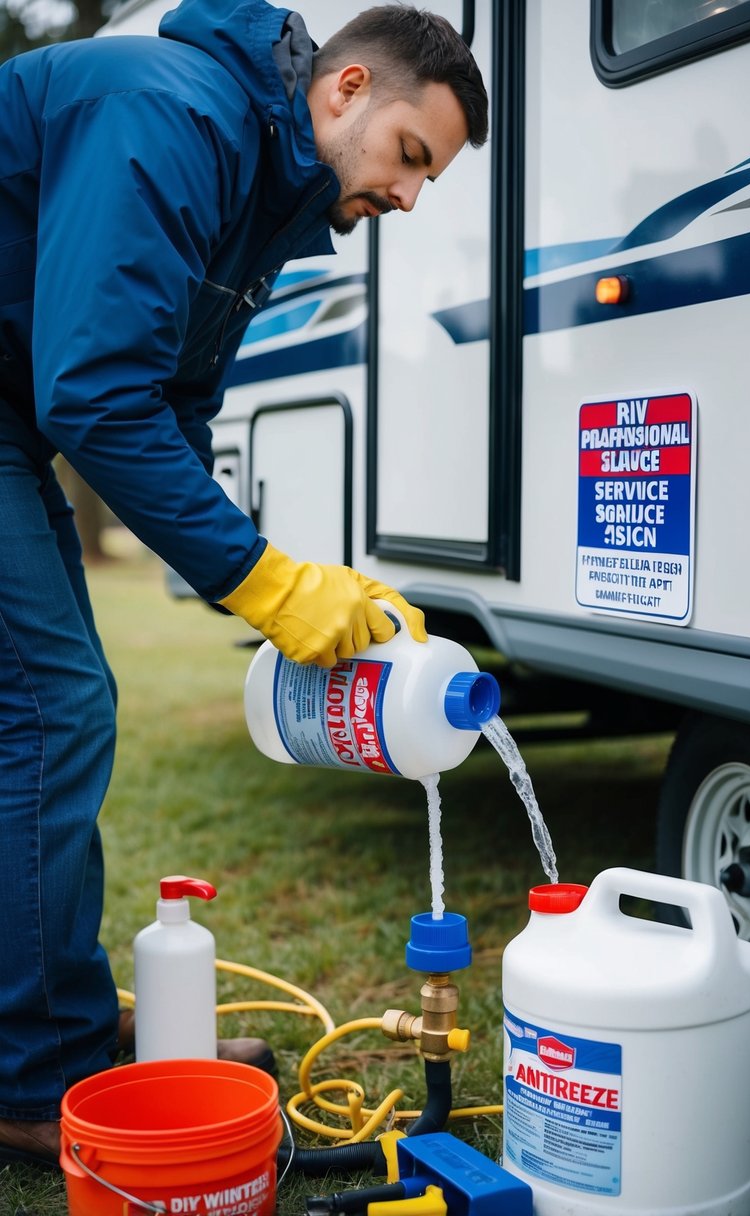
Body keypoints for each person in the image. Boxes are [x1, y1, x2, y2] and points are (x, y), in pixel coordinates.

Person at [0, 0, 488, 1166]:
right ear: (348, 88)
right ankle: (31, 1072)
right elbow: (97, 396)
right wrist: (265, 582)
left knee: (55, 710)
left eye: (432, 181)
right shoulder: (169, 118)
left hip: (18, 420)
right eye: (411, 157)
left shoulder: (262, 196)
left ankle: (56, 1027)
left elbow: (168, 411)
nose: (409, 200)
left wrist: (302, 582)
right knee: (50, 709)